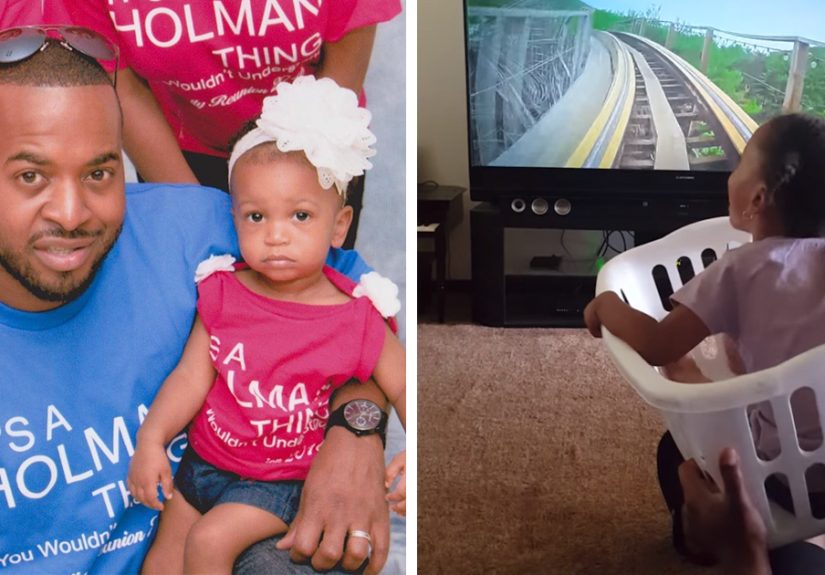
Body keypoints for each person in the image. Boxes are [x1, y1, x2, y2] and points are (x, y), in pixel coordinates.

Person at [0, 32, 395, 575]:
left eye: (99, 173)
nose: (71, 214)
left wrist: (355, 431)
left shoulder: (190, 227)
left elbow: (350, 299)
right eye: (30, 176)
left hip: (241, 508)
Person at [128, 76, 406, 574]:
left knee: (210, 543)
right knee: (161, 565)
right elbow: (192, 377)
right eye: (256, 217)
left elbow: (406, 385)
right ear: (234, 217)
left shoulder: (354, 314)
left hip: (279, 481)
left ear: (338, 225)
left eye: (300, 216)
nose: (276, 236)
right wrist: (152, 440)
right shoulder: (222, 291)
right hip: (204, 465)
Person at [584, 113, 825, 565]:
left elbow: (657, 343)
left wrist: (607, 306)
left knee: (673, 448)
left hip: (783, 482)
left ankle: (699, 544)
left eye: (738, 163)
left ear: (756, 197)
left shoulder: (740, 269)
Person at [54, 0, 403, 248]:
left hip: (316, 139)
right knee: (204, 304)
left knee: (311, 299)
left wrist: (292, 206)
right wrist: (193, 209)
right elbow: (125, 89)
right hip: (180, 150)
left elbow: (339, 80)